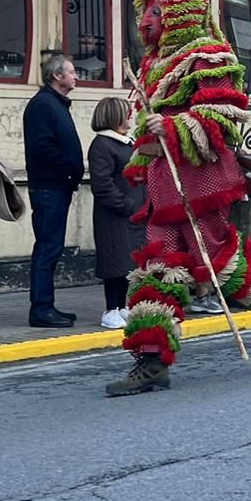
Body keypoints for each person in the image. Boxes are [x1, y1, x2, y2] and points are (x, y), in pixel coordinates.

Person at [106, 0, 251, 397]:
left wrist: (174, 126)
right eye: (147, 12)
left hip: (199, 178)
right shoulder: (151, 65)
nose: (146, 22)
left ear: (181, 15)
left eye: (157, 13)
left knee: (214, 256)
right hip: (163, 179)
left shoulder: (210, 55)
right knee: (157, 266)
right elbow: (147, 121)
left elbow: (224, 115)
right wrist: (148, 139)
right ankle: (152, 360)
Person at [23, 55, 84, 328]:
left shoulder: (55, 104)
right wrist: (69, 168)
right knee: (48, 248)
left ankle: (47, 305)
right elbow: (42, 147)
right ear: (57, 76)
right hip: (49, 187)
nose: (76, 77)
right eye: (71, 72)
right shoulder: (44, 105)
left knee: (52, 247)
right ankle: (41, 309)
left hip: (57, 186)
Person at [88, 96, 144, 330]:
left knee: (126, 264)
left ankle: (122, 306)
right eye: (125, 112)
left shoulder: (126, 143)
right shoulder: (102, 145)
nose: (130, 115)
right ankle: (110, 309)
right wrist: (126, 205)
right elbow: (101, 184)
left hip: (131, 215)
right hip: (114, 215)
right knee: (114, 262)